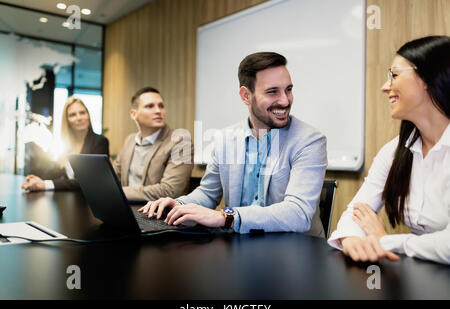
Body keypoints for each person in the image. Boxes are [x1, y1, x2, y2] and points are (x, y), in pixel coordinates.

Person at [139, 52, 327, 235]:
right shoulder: (225, 139)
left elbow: (298, 214)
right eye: (272, 92)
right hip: (240, 247)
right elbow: (208, 193)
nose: (285, 100)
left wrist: (227, 217)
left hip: (295, 253)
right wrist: (179, 204)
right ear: (246, 96)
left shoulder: (309, 140)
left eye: (288, 89)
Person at [328, 36, 450, 265]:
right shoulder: (394, 151)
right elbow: (357, 212)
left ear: (427, 78)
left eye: (394, 75)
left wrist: (384, 240)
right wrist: (352, 240)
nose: (385, 87)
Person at [112, 87, 193, 202]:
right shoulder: (130, 140)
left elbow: (170, 191)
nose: (158, 111)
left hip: (159, 215)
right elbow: (112, 177)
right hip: (125, 208)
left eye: (161, 106)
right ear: (133, 114)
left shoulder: (181, 141)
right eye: (150, 106)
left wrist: (119, 192)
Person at [22, 96, 109, 191]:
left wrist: (45, 184)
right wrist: (36, 179)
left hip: (89, 202)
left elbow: (88, 181)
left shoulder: (100, 142)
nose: (79, 118)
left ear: (88, 115)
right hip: (69, 200)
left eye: (82, 113)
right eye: (73, 115)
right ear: (66, 120)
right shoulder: (66, 144)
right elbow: (55, 170)